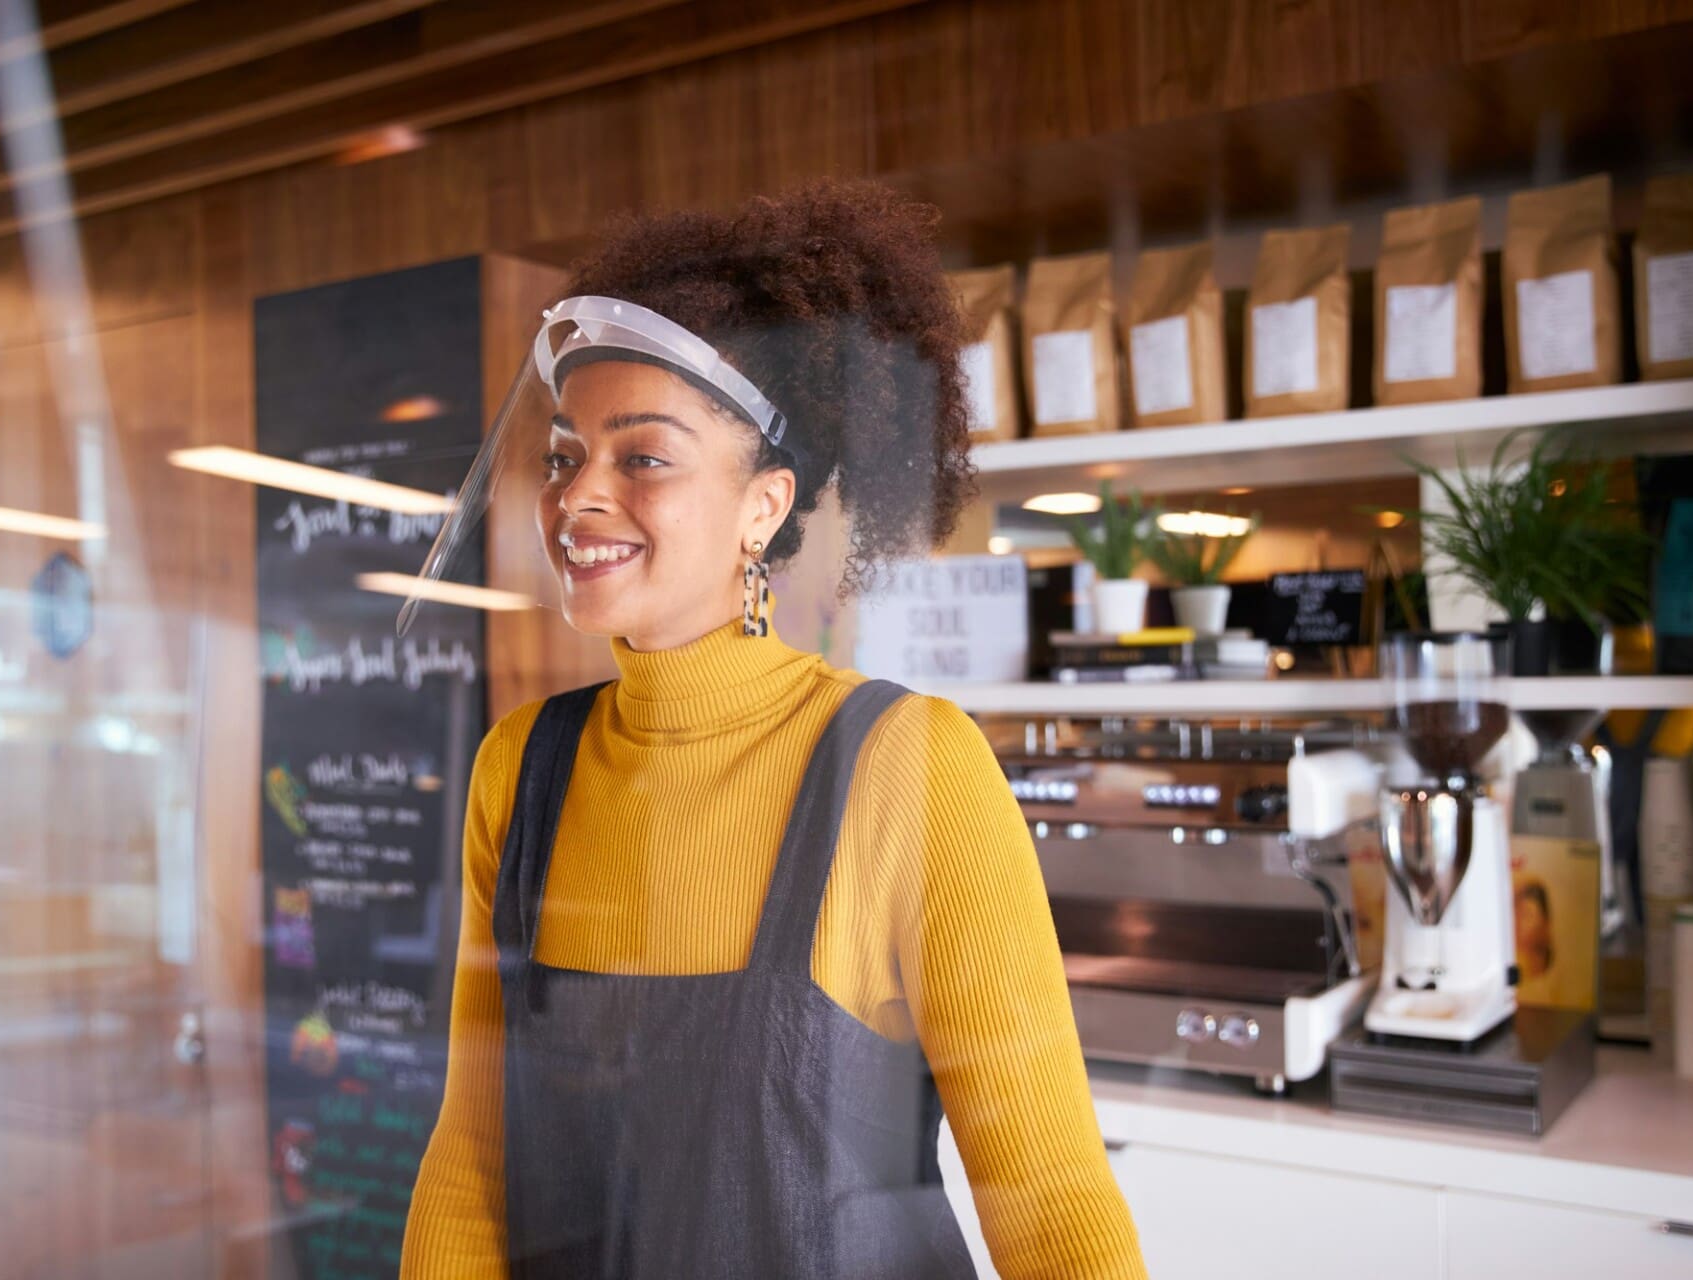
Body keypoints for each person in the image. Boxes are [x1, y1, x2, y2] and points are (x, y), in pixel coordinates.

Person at [400, 178, 1148, 1278]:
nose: (577, 497)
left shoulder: (907, 765)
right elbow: (471, 1160)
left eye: (642, 456)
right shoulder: (520, 767)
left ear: (764, 505)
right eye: (566, 454)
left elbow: (1048, 1198)